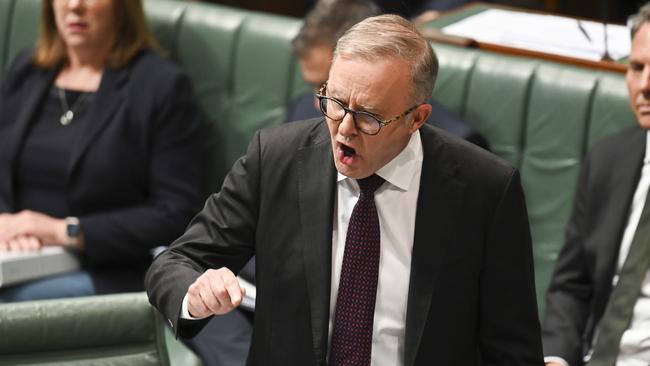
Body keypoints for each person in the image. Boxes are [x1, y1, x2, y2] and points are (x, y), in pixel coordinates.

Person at [146, 14, 543, 365]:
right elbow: (176, 263)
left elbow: (512, 347)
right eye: (334, 103)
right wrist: (195, 296)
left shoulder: (485, 187)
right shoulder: (276, 158)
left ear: (416, 118)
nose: (344, 130)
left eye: (369, 117)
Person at [0, 0, 209, 301]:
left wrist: (65, 231)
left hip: (104, 269)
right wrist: (9, 224)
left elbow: (176, 212)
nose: (74, 6)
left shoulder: (160, 86)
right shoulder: (28, 69)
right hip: (15, 254)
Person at [542, 3, 650, 366]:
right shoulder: (608, 159)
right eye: (636, 68)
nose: (645, 85)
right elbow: (572, 285)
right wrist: (556, 357)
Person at [289, 0, 490, 150]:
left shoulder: (459, 147)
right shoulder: (302, 111)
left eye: (328, 82)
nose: (318, 101)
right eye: (316, 87)